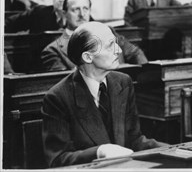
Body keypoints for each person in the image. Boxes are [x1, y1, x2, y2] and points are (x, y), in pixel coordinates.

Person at [41, 21, 164, 167]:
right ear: (87, 57)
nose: (118, 50)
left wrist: (176, 150)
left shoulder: (123, 82)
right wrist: (99, 151)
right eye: (110, 45)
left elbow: (134, 139)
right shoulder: (57, 98)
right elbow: (58, 160)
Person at [42, 0, 147, 71]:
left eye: (85, 9)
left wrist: (146, 72)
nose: (82, 14)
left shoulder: (109, 31)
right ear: (64, 14)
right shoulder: (53, 51)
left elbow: (135, 53)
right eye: (76, 10)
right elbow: (66, 85)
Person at [5, 0, 73, 33]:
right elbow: (10, 23)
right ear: (53, 0)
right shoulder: (39, 12)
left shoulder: (78, 17)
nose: (61, 0)